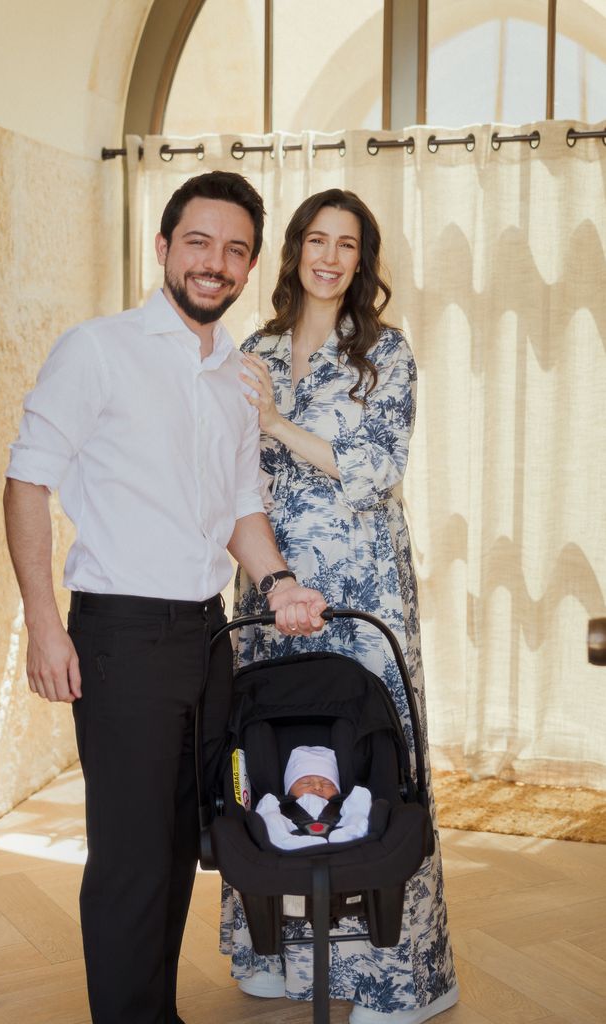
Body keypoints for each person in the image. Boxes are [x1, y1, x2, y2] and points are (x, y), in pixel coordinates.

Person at [3, 170, 326, 1024]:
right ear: (162, 248)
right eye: (198, 242)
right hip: (120, 633)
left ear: (250, 265)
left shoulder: (236, 374)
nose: (214, 263)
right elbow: (26, 481)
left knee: (186, 840)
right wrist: (43, 625)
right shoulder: (97, 348)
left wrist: (281, 581)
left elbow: (241, 508)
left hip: (207, 636)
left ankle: (153, 1012)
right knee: (131, 856)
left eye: (234, 249)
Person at [220, 189, 459, 1023]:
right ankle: (273, 951)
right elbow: (228, 470)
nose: (328, 256)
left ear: (362, 261)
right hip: (268, 580)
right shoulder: (252, 347)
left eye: (345, 244)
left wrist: (278, 423)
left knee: (373, 758)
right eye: (314, 240)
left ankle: (398, 974)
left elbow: (373, 469)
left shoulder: (384, 354)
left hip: (359, 585)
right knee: (271, 755)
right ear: (292, 251)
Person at [256, 744, 372, 850]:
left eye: (327, 783)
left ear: (337, 790)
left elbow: (358, 805)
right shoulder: (284, 806)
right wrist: (270, 810)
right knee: (271, 817)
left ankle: (351, 833)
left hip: (340, 829)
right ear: (290, 790)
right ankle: (285, 841)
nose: (317, 787)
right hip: (292, 831)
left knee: (359, 803)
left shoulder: (342, 803)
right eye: (306, 783)